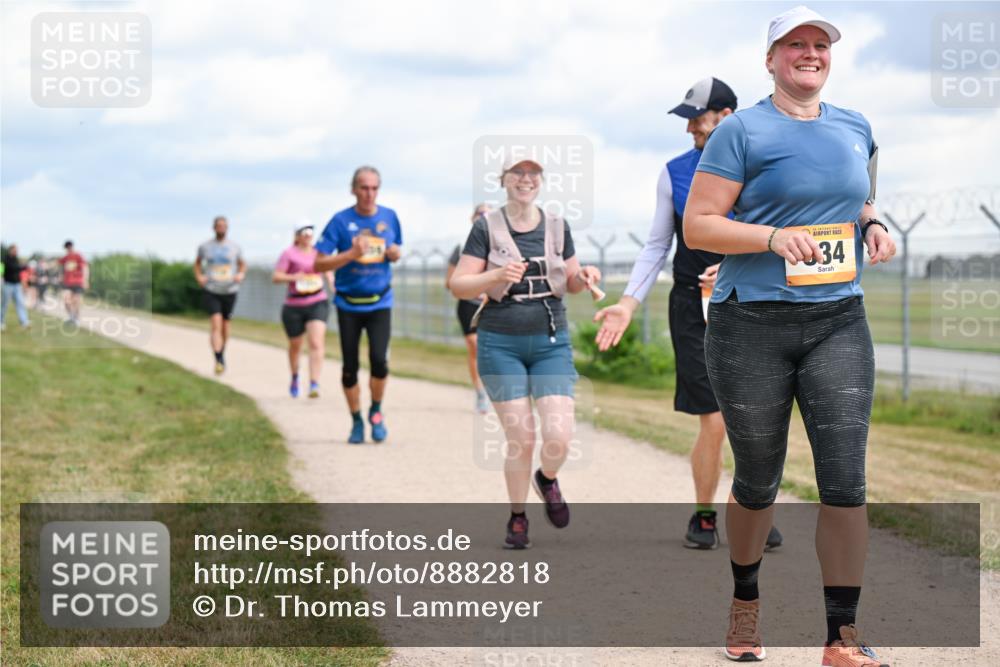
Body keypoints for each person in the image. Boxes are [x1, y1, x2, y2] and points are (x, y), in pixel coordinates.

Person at [683, 7, 895, 665]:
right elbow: (700, 225)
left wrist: (875, 223)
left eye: (820, 44)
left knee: (845, 479)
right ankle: (745, 605)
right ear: (771, 59)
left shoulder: (855, 126)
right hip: (752, 323)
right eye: (795, 45)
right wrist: (772, 238)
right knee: (757, 480)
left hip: (839, 320)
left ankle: (841, 638)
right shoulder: (741, 130)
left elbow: (854, 196)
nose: (810, 53)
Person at [595, 77, 784, 552]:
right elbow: (658, 245)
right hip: (692, 306)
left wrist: (742, 263)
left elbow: (783, 235)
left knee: (758, 418)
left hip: (755, 301)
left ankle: (754, 506)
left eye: (695, 119)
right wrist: (627, 302)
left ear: (725, 115)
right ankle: (704, 515)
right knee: (715, 420)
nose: (689, 130)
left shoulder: (765, 166)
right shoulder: (674, 172)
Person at [450, 155, 601, 550]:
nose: (525, 179)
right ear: (503, 180)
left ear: (541, 181)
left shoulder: (556, 226)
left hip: (551, 341)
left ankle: (547, 479)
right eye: (517, 172)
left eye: (533, 173)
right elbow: (460, 284)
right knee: (522, 437)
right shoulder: (486, 227)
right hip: (500, 341)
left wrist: (585, 278)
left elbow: (570, 281)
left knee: (560, 436)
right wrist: (497, 275)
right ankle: (518, 518)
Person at [314, 166, 402, 444]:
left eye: (374, 188)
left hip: (380, 302)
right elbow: (318, 262)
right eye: (364, 188)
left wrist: (394, 253)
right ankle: (355, 421)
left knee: (379, 362)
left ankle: (375, 411)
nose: (369, 193)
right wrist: (351, 254)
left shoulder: (389, 217)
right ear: (353, 189)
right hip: (348, 304)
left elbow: (396, 248)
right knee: (350, 367)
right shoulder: (340, 221)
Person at [273, 223, 334, 398]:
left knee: (316, 342)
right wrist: (294, 277)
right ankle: (294, 376)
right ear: (297, 235)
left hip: (317, 301)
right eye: (304, 232)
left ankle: (314, 383)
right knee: (296, 345)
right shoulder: (288, 254)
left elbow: (327, 269)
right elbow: (276, 276)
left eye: (310, 232)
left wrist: (331, 282)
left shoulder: (318, 252)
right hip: (294, 305)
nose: (308, 235)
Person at [446, 203, 492, 414]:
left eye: (489, 214)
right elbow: (450, 282)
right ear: (472, 218)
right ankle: (480, 392)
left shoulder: (501, 246)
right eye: (480, 213)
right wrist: (472, 288)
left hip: (493, 304)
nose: (484, 217)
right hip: (468, 304)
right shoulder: (461, 247)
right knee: (474, 345)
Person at [194, 216, 245, 375]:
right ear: (214, 228)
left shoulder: (235, 247)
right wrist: (200, 277)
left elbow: (242, 264)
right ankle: (218, 359)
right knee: (216, 323)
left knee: (225, 326)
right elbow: (197, 263)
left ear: (227, 228)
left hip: (229, 290)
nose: (221, 228)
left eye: (224, 226)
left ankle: (222, 352)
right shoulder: (205, 246)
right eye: (219, 226)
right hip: (212, 289)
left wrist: (240, 274)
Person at [58, 241, 88, 325]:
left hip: (78, 282)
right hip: (67, 282)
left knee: (76, 301)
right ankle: (71, 316)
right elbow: (60, 266)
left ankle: (76, 318)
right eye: (67, 247)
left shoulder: (78, 256)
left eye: (69, 247)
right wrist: (60, 275)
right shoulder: (65, 258)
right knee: (66, 300)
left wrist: (85, 280)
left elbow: (85, 268)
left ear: (72, 247)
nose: (68, 249)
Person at [2, 244, 31, 330]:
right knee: (4, 304)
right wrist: (22, 267)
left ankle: (24, 321)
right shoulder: (5, 259)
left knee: (20, 303)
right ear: (10, 250)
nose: (16, 252)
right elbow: (12, 268)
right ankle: (1, 321)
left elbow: (19, 269)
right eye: (15, 250)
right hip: (8, 284)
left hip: (17, 285)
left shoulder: (16, 259)